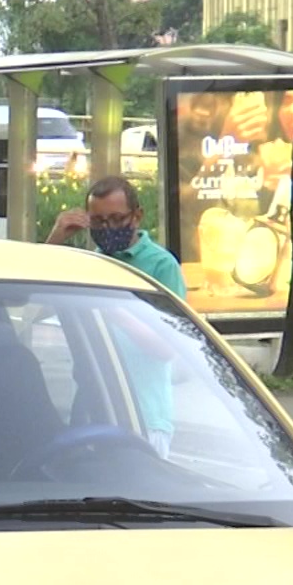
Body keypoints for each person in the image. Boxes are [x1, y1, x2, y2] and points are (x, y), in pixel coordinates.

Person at [47, 175, 185, 456]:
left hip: (142, 414)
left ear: (137, 217)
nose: (108, 228)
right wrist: (57, 237)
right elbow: (30, 292)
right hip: (90, 410)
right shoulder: (91, 263)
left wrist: (113, 307)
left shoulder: (160, 265)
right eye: (98, 222)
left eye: (117, 219)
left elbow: (167, 347)